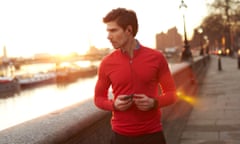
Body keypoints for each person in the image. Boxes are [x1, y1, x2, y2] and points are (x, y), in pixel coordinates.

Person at [94, 7, 177, 144]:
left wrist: (154, 102)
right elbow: (98, 98)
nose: (108, 36)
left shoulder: (156, 57)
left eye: (113, 30)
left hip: (152, 135)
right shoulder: (106, 63)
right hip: (120, 136)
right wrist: (114, 105)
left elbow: (172, 94)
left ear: (129, 30)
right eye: (108, 31)